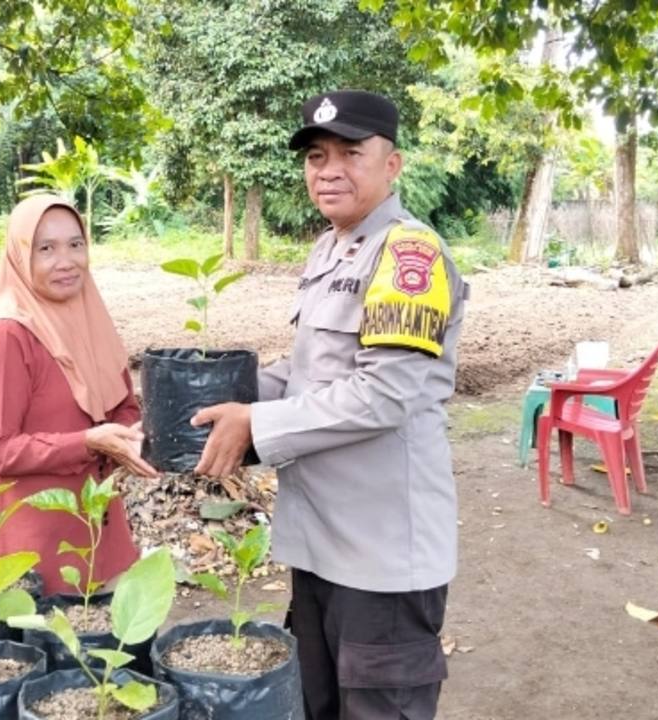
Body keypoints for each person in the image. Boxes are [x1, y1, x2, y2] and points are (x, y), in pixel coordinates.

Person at [192, 90, 467, 719]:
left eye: (350, 152)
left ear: (392, 164)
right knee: (316, 707)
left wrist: (255, 424)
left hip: (381, 554)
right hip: (319, 543)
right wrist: (225, 393)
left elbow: (386, 393)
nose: (329, 169)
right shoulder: (332, 248)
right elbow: (313, 373)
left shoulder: (408, 256)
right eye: (317, 156)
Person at [0, 194, 157, 596]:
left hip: (102, 529)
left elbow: (121, 404)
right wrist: (88, 442)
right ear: (21, 257)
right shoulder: (6, 336)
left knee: (118, 648)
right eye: (46, 249)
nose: (66, 260)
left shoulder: (91, 319)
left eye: (76, 244)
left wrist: (127, 437)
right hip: (36, 550)